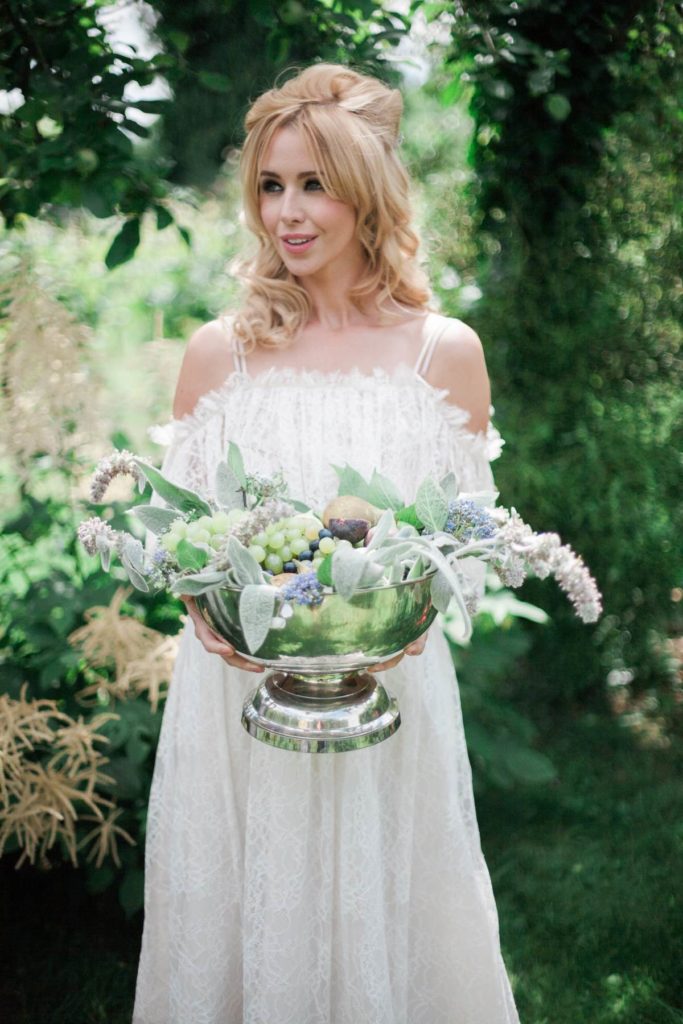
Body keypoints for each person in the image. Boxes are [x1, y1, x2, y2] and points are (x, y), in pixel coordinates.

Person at [133, 64, 519, 1024]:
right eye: (270, 186)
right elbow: (186, 530)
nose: (286, 215)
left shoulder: (443, 353)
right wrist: (204, 609)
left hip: (389, 687)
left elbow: (463, 536)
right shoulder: (219, 352)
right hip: (232, 691)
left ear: (367, 195)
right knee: (243, 902)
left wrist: (411, 616)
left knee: (387, 903)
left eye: (314, 185)